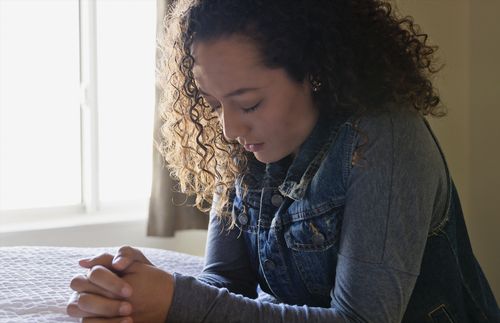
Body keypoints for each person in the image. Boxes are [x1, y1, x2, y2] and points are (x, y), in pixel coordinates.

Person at [66, 0, 500, 322]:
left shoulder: (382, 138)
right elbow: (225, 285)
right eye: (213, 104)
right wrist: (136, 292)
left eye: (249, 104)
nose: (228, 130)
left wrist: (178, 300)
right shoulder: (247, 146)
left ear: (315, 72)